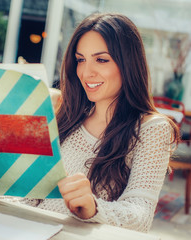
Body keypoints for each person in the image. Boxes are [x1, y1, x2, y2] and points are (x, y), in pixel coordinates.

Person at [22, 12, 179, 233]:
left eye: (101, 59)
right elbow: (30, 195)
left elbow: (141, 214)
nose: (86, 72)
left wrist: (93, 207)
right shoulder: (65, 115)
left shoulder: (151, 129)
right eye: (80, 60)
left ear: (128, 64)